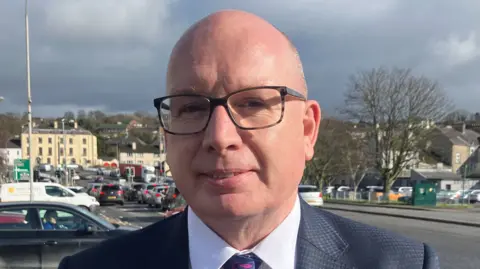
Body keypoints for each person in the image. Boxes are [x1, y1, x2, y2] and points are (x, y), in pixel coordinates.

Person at [58, 10, 440, 269]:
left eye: (253, 102)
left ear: (307, 130)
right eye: (191, 108)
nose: (219, 137)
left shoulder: (401, 263)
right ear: (166, 135)